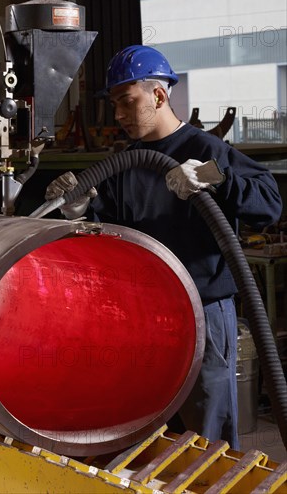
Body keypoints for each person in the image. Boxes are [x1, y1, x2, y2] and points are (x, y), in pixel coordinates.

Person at [45, 45, 283, 449]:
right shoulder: (127, 162)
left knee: (207, 431)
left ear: (158, 95)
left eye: (126, 102)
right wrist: (80, 209)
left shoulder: (206, 151)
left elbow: (269, 204)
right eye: (115, 104)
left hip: (204, 313)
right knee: (151, 429)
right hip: (146, 316)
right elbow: (112, 234)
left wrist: (216, 178)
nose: (118, 115)